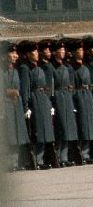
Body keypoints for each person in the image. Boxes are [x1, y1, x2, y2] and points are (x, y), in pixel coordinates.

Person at [18, 41, 56, 169]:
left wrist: (49, 103)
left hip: (43, 100)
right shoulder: (25, 68)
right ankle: (36, 160)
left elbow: (46, 87)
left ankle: (41, 158)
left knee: (45, 131)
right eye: (33, 52)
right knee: (36, 131)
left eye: (36, 52)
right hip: (34, 101)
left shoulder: (39, 67)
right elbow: (25, 89)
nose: (36, 54)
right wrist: (26, 107)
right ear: (28, 54)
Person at [46, 40, 79, 166]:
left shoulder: (66, 67)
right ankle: (58, 156)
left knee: (68, 128)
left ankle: (64, 157)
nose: (63, 52)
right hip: (58, 99)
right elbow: (50, 87)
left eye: (64, 50)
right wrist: (50, 104)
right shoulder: (51, 68)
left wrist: (72, 99)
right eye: (60, 50)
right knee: (60, 128)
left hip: (67, 98)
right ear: (55, 52)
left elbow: (71, 85)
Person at [67, 39, 93, 164]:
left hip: (88, 97)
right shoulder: (71, 68)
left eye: (82, 50)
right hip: (79, 97)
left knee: (90, 125)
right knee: (82, 126)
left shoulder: (87, 65)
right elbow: (71, 86)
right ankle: (82, 154)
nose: (81, 52)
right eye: (79, 50)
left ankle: (88, 153)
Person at [1, 41, 30, 171]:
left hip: (16, 106)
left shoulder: (16, 71)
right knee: (8, 135)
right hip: (5, 106)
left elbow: (22, 90)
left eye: (16, 52)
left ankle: (15, 162)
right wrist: (7, 92)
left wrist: (25, 107)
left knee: (17, 134)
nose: (15, 55)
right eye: (12, 53)